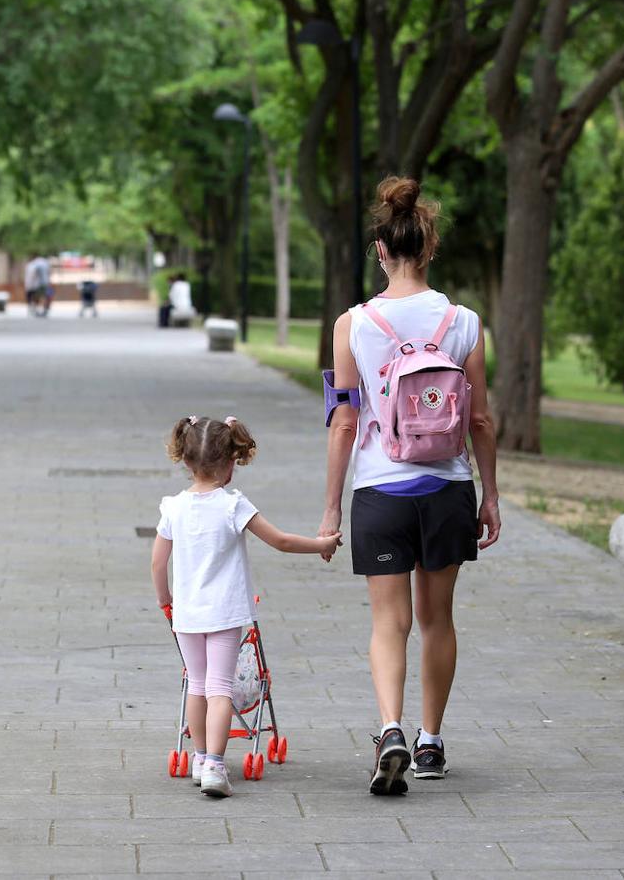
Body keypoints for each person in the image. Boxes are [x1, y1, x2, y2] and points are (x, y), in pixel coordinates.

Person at [320, 176, 500, 796]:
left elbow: (344, 421)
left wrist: (330, 510)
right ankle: (430, 742)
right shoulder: (465, 322)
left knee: (388, 622)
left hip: (379, 489)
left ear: (380, 250)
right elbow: (478, 417)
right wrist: (490, 494)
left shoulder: (353, 326)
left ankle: (390, 728)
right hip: (448, 488)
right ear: (429, 248)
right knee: (437, 619)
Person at [152, 415, 342, 798]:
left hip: (187, 615)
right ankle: (216, 767)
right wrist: (321, 545)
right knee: (221, 688)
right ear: (230, 463)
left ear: (186, 461)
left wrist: (165, 601)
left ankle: (199, 756)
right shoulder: (232, 506)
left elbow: (158, 562)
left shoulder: (173, 507)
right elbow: (282, 542)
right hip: (224, 613)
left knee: (198, 685)